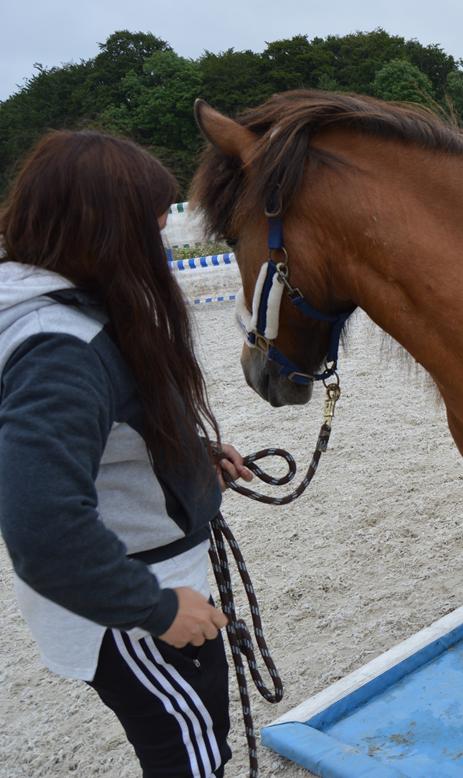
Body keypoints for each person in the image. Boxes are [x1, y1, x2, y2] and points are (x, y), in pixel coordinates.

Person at [0, 130, 254, 777]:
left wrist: (189, 455)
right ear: (104, 228)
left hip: (138, 582)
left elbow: (94, 433)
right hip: (134, 595)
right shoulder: (61, 348)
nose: (163, 233)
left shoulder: (46, 305)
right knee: (192, 754)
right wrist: (154, 608)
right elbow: (42, 523)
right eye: (152, 221)